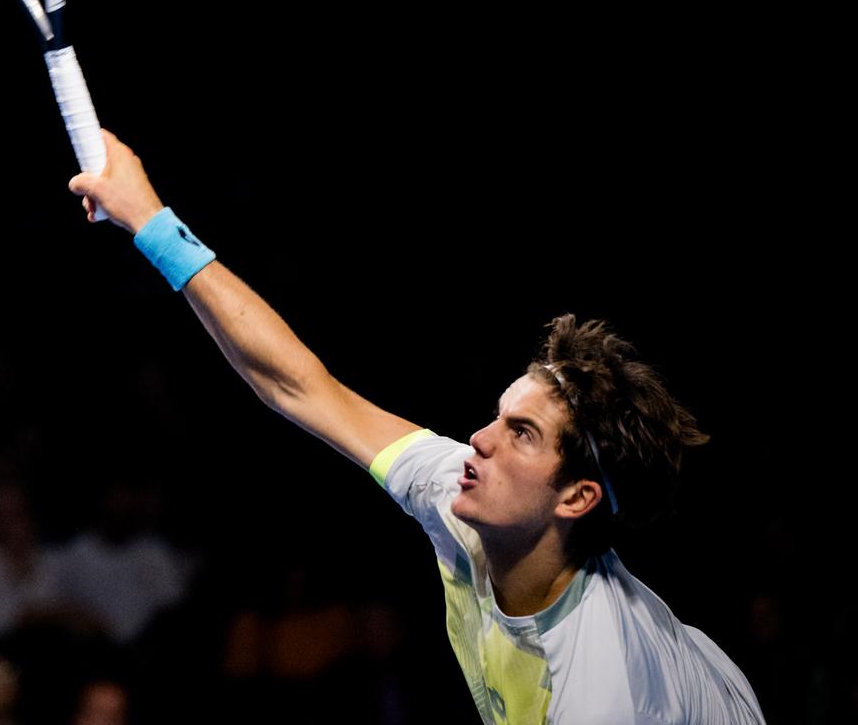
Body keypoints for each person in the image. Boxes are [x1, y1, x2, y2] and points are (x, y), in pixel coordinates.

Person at [68, 130, 765, 724]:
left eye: (520, 434)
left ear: (576, 497)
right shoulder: (459, 494)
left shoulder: (596, 687)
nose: (481, 441)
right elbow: (300, 386)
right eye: (498, 418)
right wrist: (153, 221)